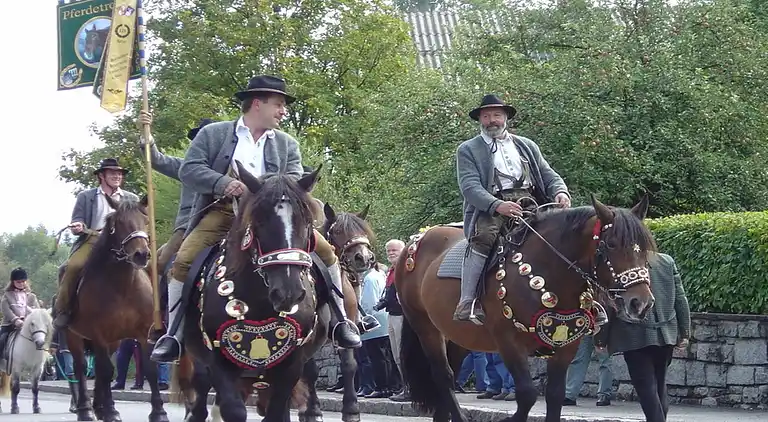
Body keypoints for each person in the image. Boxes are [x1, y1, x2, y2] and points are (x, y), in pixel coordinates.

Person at [150, 75, 361, 363]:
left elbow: (294, 179)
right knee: (184, 260)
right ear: (257, 104)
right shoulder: (212, 134)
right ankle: (173, 335)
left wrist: (270, 190)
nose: (283, 112)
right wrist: (223, 183)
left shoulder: (287, 144)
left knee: (328, 255)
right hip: (223, 213)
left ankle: (341, 322)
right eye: (279, 105)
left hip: (273, 217)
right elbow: (189, 169)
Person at [454, 94, 572, 324]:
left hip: (531, 202)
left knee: (564, 235)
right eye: (486, 116)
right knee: (483, 239)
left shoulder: (527, 145)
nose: (491, 120)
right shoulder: (467, 149)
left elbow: (548, 174)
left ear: (506, 117)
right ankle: (467, 301)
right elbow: (469, 187)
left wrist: (561, 192)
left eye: (496, 115)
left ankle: (587, 297)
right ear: (480, 120)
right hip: (491, 207)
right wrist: (497, 205)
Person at [596, 252, 691, 422]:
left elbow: (608, 302)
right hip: (665, 333)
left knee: (646, 388)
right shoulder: (666, 261)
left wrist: (601, 338)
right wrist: (684, 332)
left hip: (634, 335)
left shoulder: (621, 262)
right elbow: (680, 298)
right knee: (659, 386)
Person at [53, 158, 139, 329]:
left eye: (119, 173)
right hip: (93, 239)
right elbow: (78, 219)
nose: (117, 176)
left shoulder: (131, 198)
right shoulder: (86, 197)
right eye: (112, 173)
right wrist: (78, 226)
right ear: (101, 175)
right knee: (73, 266)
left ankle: (156, 310)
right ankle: (63, 309)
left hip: (123, 242)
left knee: (149, 266)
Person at [136, 113, 214, 280]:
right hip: (187, 227)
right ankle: (162, 296)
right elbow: (157, 160)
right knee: (161, 262)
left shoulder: (228, 167)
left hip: (222, 224)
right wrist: (146, 134)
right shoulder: (185, 166)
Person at [0, 268, 41, 353]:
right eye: (18, 282)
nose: (21, 284)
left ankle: (48, 359)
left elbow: (37, 311)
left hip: (29, 325)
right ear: (13, 282)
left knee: (41, 337)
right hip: (10, 325)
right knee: (2, 340)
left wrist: (28, 320)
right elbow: (6, 310)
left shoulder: (32, 296)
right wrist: (15, 320)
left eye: (23, 281)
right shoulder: (7, 295)